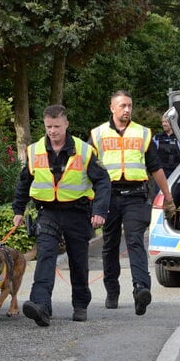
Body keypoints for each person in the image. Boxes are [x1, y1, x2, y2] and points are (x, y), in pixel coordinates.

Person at [12, 104, 111, 326]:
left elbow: (103, 181)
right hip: (47, 212)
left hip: (77, 211)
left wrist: (99, 211)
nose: (52, 131)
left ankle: (80, 304)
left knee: (78, 260)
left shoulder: (84, 151)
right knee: (45, 255)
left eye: (57, 126)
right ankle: (40, 306)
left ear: (66, 124)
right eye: (48, 126)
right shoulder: (34, 150)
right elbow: (24, 182)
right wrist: (18, 210)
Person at [90, 90, 176, 316]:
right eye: (122, 106)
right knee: (109, 245)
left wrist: (168, 198)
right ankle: (112, 291)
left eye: (129, 105)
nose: (127, 109)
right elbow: (85, 169)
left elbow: (155, 168)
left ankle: (141, 289)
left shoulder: (143, 133)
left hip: (136, 196)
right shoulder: (97, 134)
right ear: (112, 108)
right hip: (108, 196)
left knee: (135, 240)